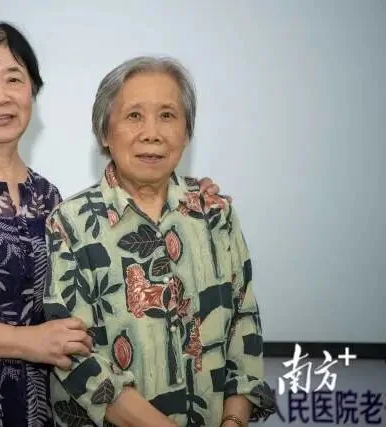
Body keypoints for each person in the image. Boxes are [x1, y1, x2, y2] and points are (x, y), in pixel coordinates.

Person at [0, 19, 226, 426]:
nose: (0, 96)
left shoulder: (49, 198)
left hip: (30, 408)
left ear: (33, 92)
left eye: (14, 79)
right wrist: (25, 341)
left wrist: (186, 198)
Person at [43, 56, 277, 427]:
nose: (152, 133)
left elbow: (244, 328)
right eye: (134, 115)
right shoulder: (71, 223)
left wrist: (233, 421)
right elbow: (75, 356)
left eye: (167, 115)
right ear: (104, 132)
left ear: (187, 132)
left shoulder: (216, 215)